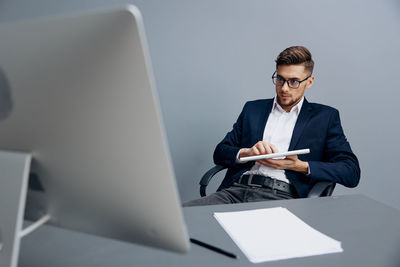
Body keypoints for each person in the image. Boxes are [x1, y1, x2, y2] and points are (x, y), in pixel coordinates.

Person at [184, 46, 360, 206]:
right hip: (233, 193)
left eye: (294, 81)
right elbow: (220, 152)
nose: (284, 88)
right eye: (280, 79)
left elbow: (351, 172)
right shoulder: (253, 109)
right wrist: (247, 153)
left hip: (282, 198)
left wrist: (299, 166)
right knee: (183, 218)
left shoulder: (325, 117)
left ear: (309, 81)